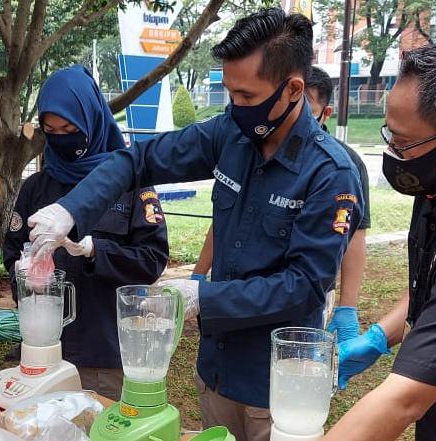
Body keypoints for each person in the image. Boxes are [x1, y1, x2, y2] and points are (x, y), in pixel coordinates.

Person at [27, 9, 364, 441]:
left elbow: (303, 286)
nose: (234, 108)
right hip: (216, 371)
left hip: (273, 386)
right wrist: (70, 211)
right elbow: (139, 159)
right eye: (229, 94)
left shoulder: (330, 175)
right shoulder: (232, 136)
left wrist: (202, 295)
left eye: (246, 96)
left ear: (293, 89)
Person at [324, 37, 436, 440]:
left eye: (402, 143)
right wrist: (380, 336)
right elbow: (435, 285)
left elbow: (404, 400)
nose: (392, 155)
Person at [3, 66, 169, 401]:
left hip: (105, 352)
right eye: (51, 131)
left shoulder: (130, 184)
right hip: (45, 350)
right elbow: (12, 252)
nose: (62, 138)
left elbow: (152, 259)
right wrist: (24, 274)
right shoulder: (37, 188)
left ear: (92, 120)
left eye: (69, 128)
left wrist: (96, 251)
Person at [192, 66, 371, 344]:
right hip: (226, 302)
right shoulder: (248, 148)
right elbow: (225, 220)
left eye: (306, 108)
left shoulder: (338, 169)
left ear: (326, 113)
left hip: (288, 314)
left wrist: (348, 306)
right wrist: (198, 276)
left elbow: (354, 235)